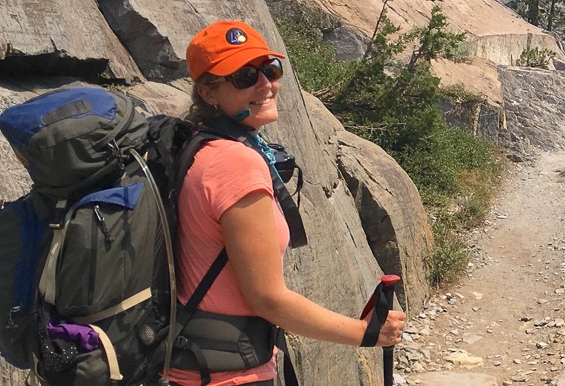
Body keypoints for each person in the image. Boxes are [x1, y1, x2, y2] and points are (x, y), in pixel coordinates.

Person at [167, 20, 405, 386]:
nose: (265, 84)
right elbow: (267, 298)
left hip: (202, 366)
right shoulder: (235, 163)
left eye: (270, 69)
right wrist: (365, 333)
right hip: (225, 376)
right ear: (208, 92)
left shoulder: (199, 146)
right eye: (244, 76)